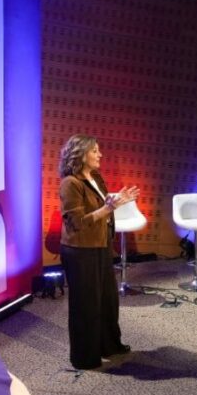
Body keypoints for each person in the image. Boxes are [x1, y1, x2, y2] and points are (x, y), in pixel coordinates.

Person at [58, 135, 139, 369]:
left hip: (101, 246)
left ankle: (109, 345)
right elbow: (77, 222)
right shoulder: (70, 183)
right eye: (95, 151)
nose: (100, 155)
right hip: (80, 251)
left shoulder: (95, 177)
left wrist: (118, 201)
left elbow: (102, 207)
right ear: (81, 154)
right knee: (86, 305)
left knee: (107, 300)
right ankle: (84, 357)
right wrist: (108, 207)